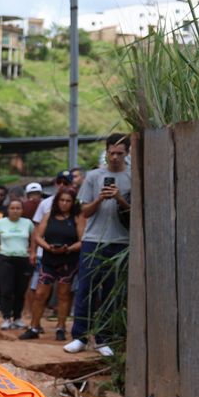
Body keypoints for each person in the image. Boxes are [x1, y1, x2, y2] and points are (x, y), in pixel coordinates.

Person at [66, 138, 132, 357]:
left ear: (127, 153)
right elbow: (84, 212)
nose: (114, 157)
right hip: (93, 240)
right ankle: (80, 337)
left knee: (111, 292)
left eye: (119, 153)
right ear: (106, 152)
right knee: (86, 288)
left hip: (121, 241)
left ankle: (104, 338)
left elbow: (136, 212)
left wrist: (120, 199)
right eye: (111, 153)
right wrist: (100, 199)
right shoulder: (94, 177)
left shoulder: (133, 176)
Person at [21, 188, 83, 340]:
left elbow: (82, 240)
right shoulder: (49, 216)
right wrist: (47, 247)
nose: (64, 203)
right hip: (49, 259)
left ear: (72, 202)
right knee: (40, 294)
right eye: (62, 200)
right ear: (57, 201)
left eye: (68, 201)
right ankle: (34, 327)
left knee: (63, 294)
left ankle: (60, 328)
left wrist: (68, 249)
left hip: (68, 261)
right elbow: (38, 235)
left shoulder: (76, 218)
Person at [0, 199, 33, 331]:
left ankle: (17, 317)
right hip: (5, 258)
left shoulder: (27, 223)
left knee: (20, 290)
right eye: (13, 208)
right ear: (8, 210)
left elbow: (35, 236)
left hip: (23, 258)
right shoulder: (1, 223)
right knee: (6, 289)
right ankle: (6, 317)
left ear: (22, 210)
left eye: (18, 208)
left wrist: (32, 250)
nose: (15, 211)